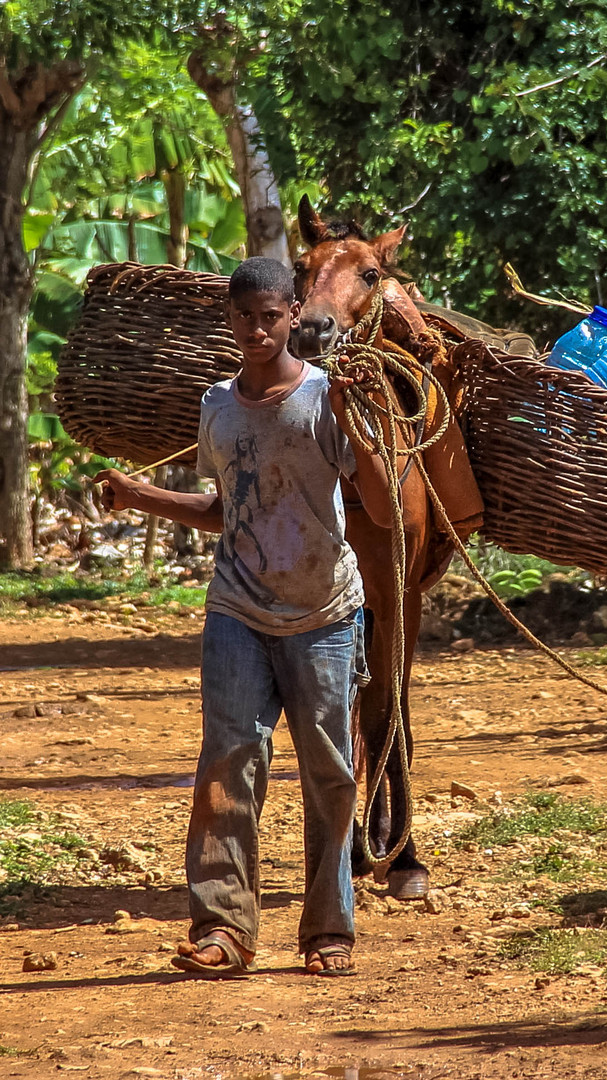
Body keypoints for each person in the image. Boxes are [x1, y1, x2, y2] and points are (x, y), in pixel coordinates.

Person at [97, 256, 392, 977]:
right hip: (237, 607)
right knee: (228, 763)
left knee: (330, 775)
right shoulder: (217, 406)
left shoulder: (329, 398)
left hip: (322, 613)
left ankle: (328, 931)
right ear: (228, 320)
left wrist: (362, 428)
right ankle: (223, 928)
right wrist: (140, 497)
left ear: (294, 315)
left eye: (271, 315)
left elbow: (381, 508)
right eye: (245, 317)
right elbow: (226, 510)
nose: (258, 329)